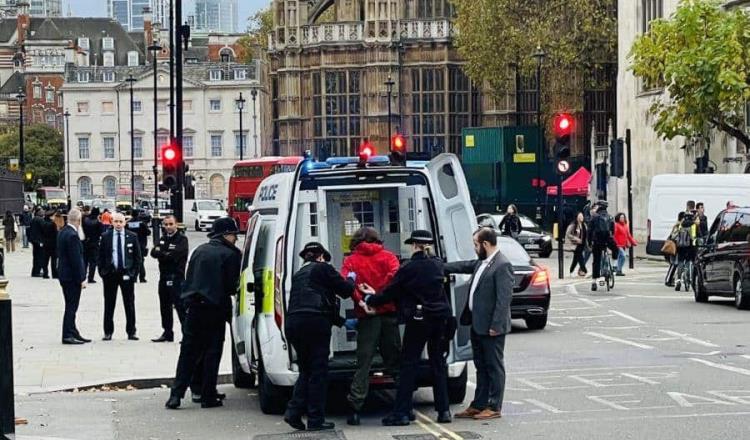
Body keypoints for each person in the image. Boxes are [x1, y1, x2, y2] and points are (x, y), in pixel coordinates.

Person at [362, 230, 453, 426]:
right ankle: (444, 411)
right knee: (437, 363)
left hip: (419, 319)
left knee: (408, 364)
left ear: (414, 245)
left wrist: (370, 298)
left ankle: (402, 412)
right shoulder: (438, 265)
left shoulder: (409, 268)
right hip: (440, 318)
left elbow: (391, 292)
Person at [166, 217, 242, 410]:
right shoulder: (231, 255)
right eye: (234, 235)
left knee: (188, 353)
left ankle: (176, 395)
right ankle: (208, 395)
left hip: (193, 307)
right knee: (212, 352)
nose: (236, 239)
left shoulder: (199, 251)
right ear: (226, 235)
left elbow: (188, 276)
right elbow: (232, 285)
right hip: (215, 308)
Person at [281, 242, 355, 431]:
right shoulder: (323, 269)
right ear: (321, 257)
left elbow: (318, 302)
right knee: (319, 372)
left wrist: (340, 322)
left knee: (306, 370)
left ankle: (294, 412)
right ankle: (316, 420)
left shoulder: (299, 276)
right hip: (315, 325)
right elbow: (345, 291)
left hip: (293, 324)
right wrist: (351, 279)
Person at [443, 227, 514, 422]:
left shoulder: (502, 265)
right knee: (481, 366)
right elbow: (465, 265)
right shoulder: (483, 263)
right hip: (477, 324)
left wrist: (496, 325)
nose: (474, 248)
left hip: (491, 327)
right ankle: (478, 404)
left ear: (485, 244)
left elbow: (504, 300)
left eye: (475, 244)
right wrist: (439, 266)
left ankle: (494, 405)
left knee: (494, 366)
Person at [340, 227, 401, 426]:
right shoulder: (389, 257)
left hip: (366, 317)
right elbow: (394, 281)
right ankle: (403, 405)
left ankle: (355, 408)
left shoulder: (351, 260)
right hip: (389, 313)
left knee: (363, 363)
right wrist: (379, 298)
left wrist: (363, 303)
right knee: (394, 361)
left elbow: (348, 284)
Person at [97, 212, 143, 341]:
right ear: (111, 222)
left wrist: (134, 274)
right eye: (116, 221)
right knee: (109, 304)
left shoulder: (132, 236)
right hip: (110, 274)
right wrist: (102, 272)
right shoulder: (106, 236)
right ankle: (108, 331)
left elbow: (137, 258)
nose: (118, 224)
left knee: (129, 304)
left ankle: (131, 331)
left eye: (120, 222)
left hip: (126, 274)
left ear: (124, 223)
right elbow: (100, 256)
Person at [150, 215, 189, 342]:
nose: (168, 227)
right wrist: (164, 253)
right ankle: (167, 332)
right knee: (164, 306)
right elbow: (153, 253)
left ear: (176, 225)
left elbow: (175, 255)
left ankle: (187, 334)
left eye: (171, 224)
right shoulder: (163, 239)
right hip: (163, 276)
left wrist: (163, 253)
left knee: (180, 306)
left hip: (177, 277)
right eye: (166, 224)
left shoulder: (182, 239)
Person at [56, 208, 91, 345]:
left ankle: (73, 330)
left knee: (70, 305)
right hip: (71, 277)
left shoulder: (63, 232)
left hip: (64, 275)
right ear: (79, 220)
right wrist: (82, 278)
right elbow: (76, 260)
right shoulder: (72, 235)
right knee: (71, 306)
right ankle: (67, 334)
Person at [587, 201, 619, 291]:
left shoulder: (594, 217)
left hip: (597, 241)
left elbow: (589, 231)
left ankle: (594, 282)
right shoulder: (610, 217)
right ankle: (614, 265)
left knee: (596, 261)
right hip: (608, 240)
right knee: (615, 249)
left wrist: (589, 242)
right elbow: (613, 231)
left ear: (599, 207)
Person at [674, 211, 697, 291]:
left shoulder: (681, 224)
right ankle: (687, 278)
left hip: (680, 246)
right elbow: (694, 236)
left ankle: (678, 280)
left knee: (680, 262)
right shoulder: (693, 224)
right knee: (688, 262)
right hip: (690, 246)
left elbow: (676, 234)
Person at [126, 209, 151, 283]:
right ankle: (142, 277)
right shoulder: (141, 223)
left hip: (131, 244)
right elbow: (148, 232)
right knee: (141, 261)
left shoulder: (128, 223)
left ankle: (134, 276)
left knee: (132, 261)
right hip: (141, 244)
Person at [82, 208, 104, 283]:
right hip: (94, 243)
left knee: (85, 260)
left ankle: (83, 276)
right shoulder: (98, 222)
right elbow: (101, 233)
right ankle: (90, 278)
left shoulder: (85, 220)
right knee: (93, 261)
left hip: (85, 242)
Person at [664, 212, 685, 287]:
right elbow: (674, 235)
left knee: (674, 264)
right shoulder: (678, 225)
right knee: (674, 264)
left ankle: (670, 280)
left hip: (676, 246)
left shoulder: (678, 225)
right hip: (675, 246)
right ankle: (668, 280)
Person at [566, 212, 588, 277]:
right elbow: (568, 234)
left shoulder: (584, 225)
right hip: (575, 245)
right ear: (577, 217)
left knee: (575, 259)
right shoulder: (573, 225)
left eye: (582, 216)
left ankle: (571, 271)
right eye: (580, 217)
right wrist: (575, 238)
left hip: (582, 244)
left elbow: (586, 235)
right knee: (581, 258)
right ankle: (585, 271)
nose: (581, 218)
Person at [41, 209, 59, 279]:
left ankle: (45, 273)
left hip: (45, 243)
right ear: (50, 217)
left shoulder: (43, 223)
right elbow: (56, 234)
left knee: (45, 260)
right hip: (53, 244)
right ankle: (54, 274)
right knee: (53, 260)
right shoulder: (53, 224)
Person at [29, 208, 45, 277]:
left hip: (34, 240)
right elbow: (44, 229)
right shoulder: (40, 220)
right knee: (39, 256)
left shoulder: (33, 219)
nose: (43, 213)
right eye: (42, 212)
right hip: (39, 240)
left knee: (35, 256)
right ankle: (37, 272)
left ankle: (35, 271)